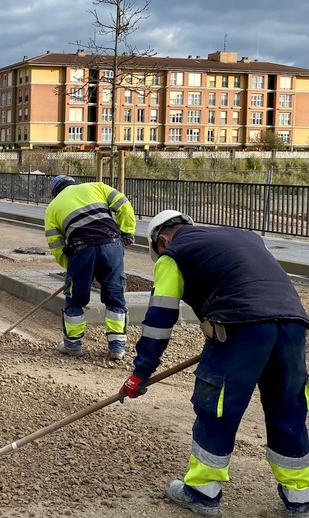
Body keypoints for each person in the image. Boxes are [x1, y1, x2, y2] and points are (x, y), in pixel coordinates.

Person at [119, 210, 309, 517]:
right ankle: (300, 497)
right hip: (293, 324)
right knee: (289, 408)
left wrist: (141, 372)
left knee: (217, 406)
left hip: (240, 326)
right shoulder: (243, 236)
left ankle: (202, 492)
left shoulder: (174, 254)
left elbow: (159, 320)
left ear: (162, 240)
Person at [44, 176, 136, 360]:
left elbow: (56, 245)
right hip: (111, 245)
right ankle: (117, 348)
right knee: (115, 297)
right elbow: (124, 204)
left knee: (75, 301)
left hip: (80, 250)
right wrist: (127, 232)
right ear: (72, 183)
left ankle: (73, 346)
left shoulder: (52, 208)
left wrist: (71, 268)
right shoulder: (97, 187)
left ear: (55, 192)